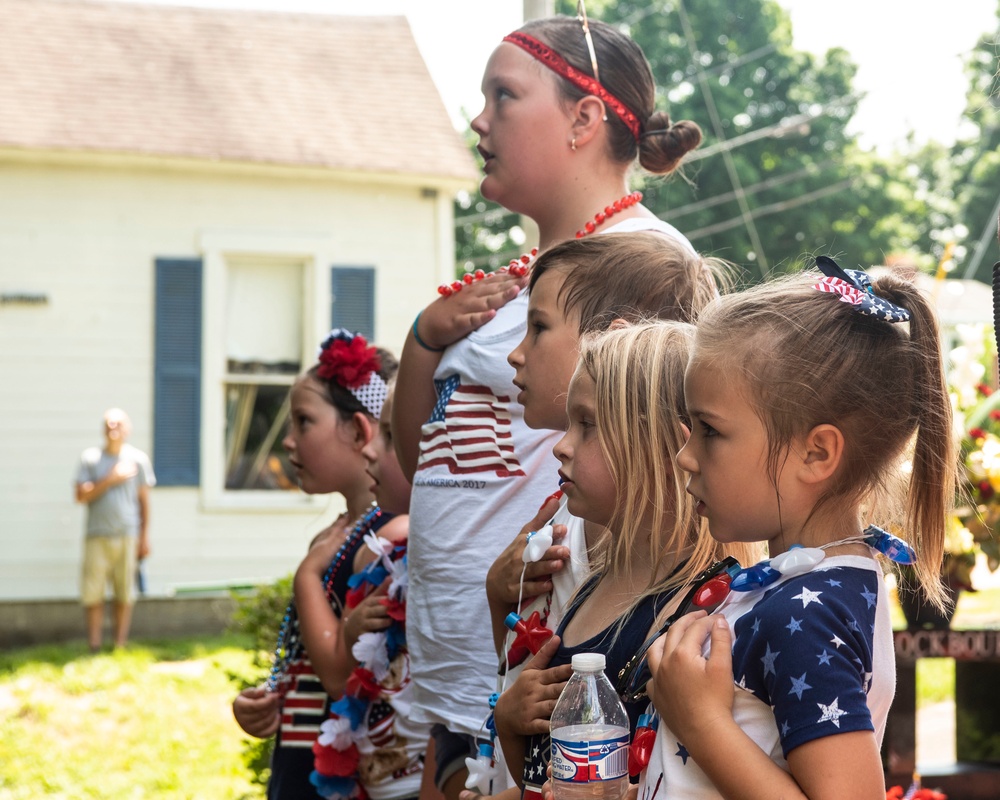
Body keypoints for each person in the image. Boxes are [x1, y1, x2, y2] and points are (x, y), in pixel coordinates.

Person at [392, 12, 704, 798]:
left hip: (555, 659)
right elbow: (421, 460)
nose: (478, 120)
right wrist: (423, 345)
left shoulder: (649, 262)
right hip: (467, 659)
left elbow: (671, 470)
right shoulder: (524, 275)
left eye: (504, 95)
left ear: (583, 118)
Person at [640, 258, 955, 799]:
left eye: (710, 431)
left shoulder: (807, 611)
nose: (685, 456)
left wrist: (700, 723)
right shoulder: (808, 585)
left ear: (817, 453)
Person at [467, 232, 727, 798]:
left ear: (663, 446)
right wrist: (512, 721)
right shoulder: (594, 582)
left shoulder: (703, 615)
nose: (562, 447)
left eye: (586, 425)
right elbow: (541, 775)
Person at [232, 330, 397, 800]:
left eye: (303, 422)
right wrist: (274, 701)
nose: (287, 440)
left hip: (340, 783)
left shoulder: (385, 544)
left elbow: (339, 676)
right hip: (299, 765)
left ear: (360, 431)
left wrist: (306, 575)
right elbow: (311, 662)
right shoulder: (336, 535)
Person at [308, 379, 436, 800]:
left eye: (389, 435)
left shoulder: (415, 547)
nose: (368, 450)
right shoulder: (378, 555)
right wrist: (350, 631)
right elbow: (347, 672)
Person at [75, 407, 155, 652]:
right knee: (93, 593)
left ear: (127, 430)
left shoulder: (138, 460)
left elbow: (144, 502)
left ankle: (120, 645)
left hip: (127, 535)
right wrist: (110, 479)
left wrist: (144, 537)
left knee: (124, 593)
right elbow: (80, 495)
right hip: (97, 534)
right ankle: (95, 645)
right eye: (109, 425)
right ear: (103, 430)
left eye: (118, 424)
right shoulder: (90, 459)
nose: (113, 429)